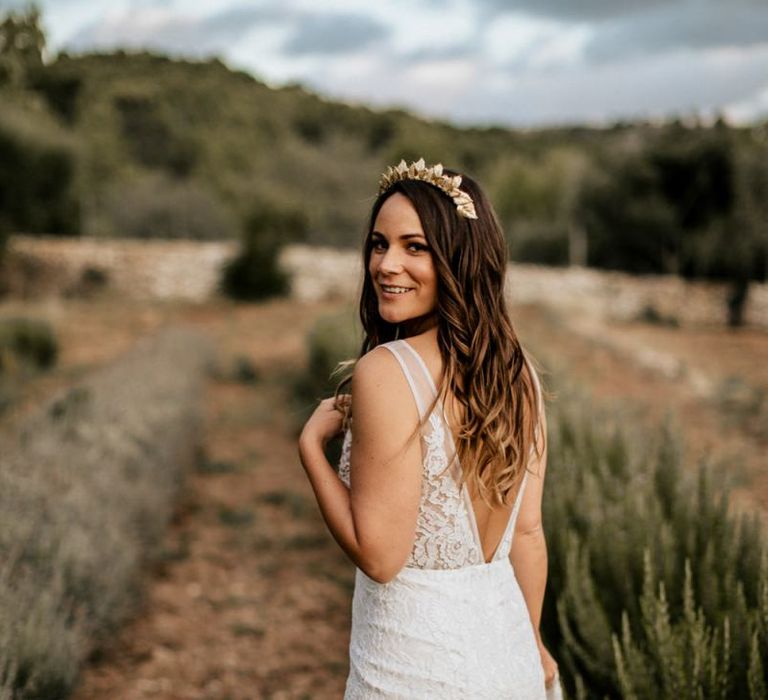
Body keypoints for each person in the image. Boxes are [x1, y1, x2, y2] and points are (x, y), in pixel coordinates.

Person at [298, 158, 561, 698]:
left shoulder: (388, 371)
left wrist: (309, 450)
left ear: (458, 259)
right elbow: (527, 533)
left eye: (414, 247)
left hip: (413, 670)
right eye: (378, 243)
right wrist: (532, 642)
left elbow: (380, 556)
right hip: (510, 659)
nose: (386, 264)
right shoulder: (519, 372)